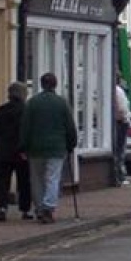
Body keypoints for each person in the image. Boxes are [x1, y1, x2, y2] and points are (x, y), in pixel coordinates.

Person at [20, 72, 77, 224]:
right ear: (55, 85)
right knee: (53, 178)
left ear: (42, 84)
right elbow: (70, 127)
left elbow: (25, 127)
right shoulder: (61, 103)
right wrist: (71, 144)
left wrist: (23, 146)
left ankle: (39, 208)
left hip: (35, 147)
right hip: (57, 147)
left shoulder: (32, 103)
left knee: (37, 179)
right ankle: (48, 207)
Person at [0, 82, 32, 222]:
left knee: (2, 183)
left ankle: (2, 208)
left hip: (3, 153)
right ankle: (25, 210)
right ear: (24, 95)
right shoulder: (27, 112)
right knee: (24, 182)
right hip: (21, 153)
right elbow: (29, 133)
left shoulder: (0, 111)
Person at [114, 78, 131, 187]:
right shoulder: (118, 91)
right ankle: (119, 176)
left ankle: (119, 176)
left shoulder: (116, 90)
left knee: (119, 151)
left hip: (120, 122)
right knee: (120, 151)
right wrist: (123, 118)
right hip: (121, 123)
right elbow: (122, 109)